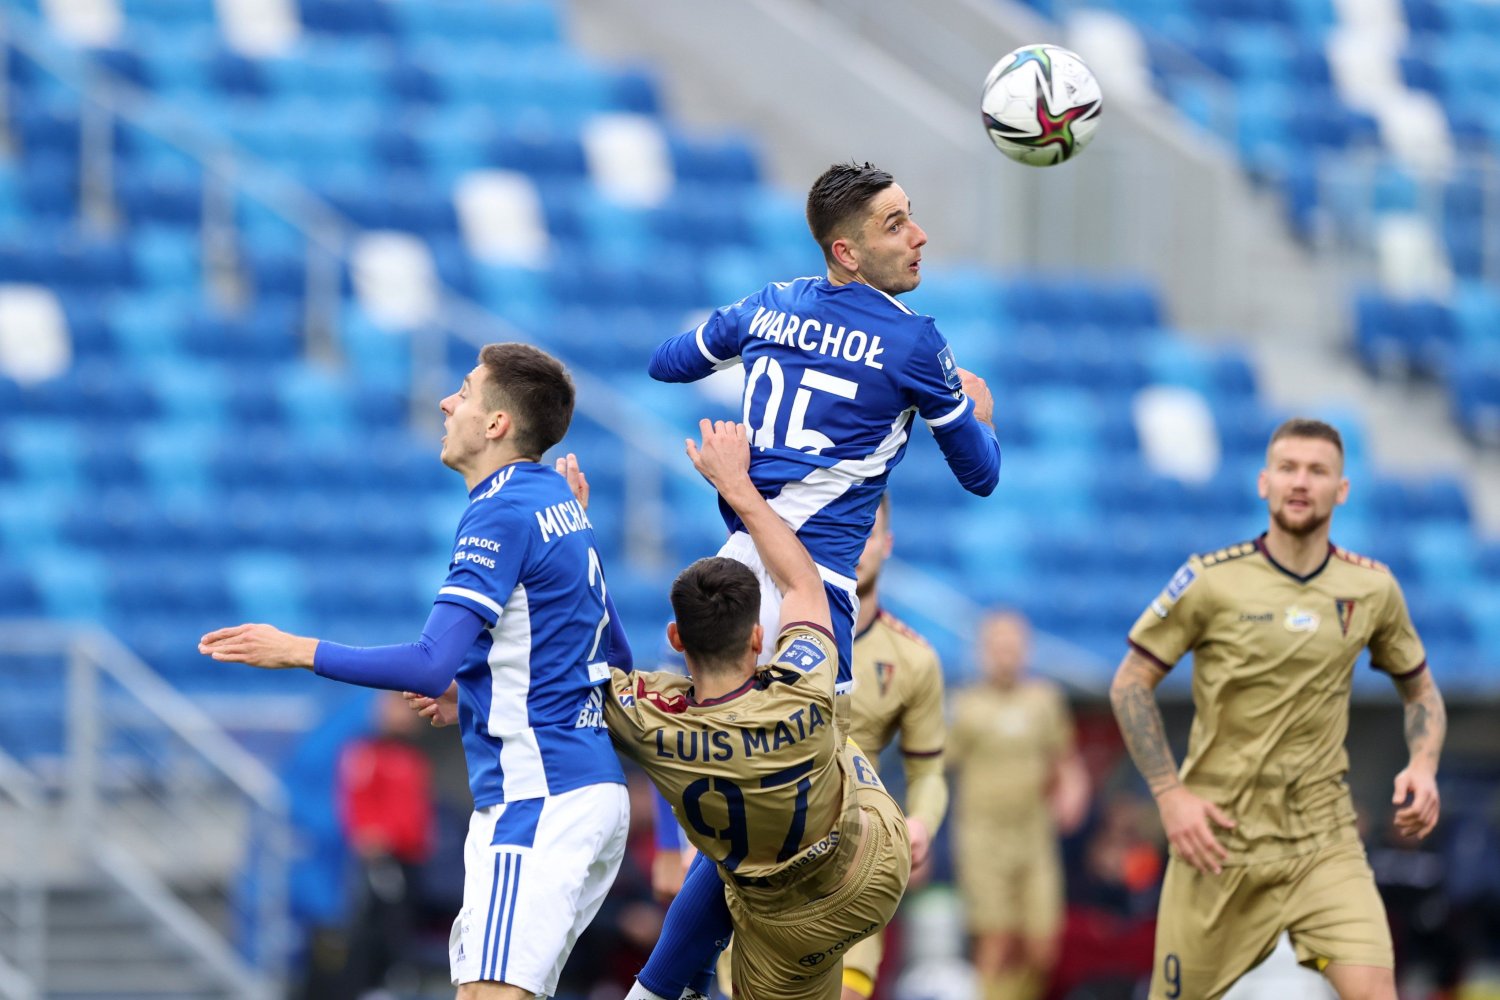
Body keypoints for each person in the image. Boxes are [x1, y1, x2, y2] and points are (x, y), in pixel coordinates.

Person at [639, 159, 1000, 1000]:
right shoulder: (917, 343)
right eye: (894, 225)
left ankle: (665, 986)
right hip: (810, 599)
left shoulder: (769, 303)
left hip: (732, 578)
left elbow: (666, 362)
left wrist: (750, 344)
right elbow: (980, 475)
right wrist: (972, 407)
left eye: (912, 216)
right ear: (845, 251)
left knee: (750, 817)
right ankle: (703, 980)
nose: (917, 236)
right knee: (805, 835)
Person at [199, 343, 633, 1000]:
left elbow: (429, 664)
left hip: (536, 800)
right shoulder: (557, 502)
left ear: (496, 425)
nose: (445, 401)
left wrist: (297, 649)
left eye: (463, 391)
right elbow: (606, 657)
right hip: (575, 792)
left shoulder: (504, 509)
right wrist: (484, 692)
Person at [1109, 417, 1447, 1000]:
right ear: (1263, 482)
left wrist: (1423, 763)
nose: (1300, 481)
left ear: (1342, 490)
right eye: (1288, 468)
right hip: (1217, 842)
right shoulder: (1209, 581)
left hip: (1324, 842)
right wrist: (1170, 798)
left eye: (1318, 471)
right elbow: (1129, 684)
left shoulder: (1371, 589)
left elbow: (1421, 690)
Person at [605, 419, 912, 1000]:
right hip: (875, 858)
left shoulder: (653, 722)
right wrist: (738, 489)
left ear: (675, 638)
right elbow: (802, 582)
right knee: (838, 734)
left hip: (786, 916)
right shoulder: (799, 679)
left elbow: (589, 668)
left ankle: (656, 989)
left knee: (738, 860)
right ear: (755, 639)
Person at [706, 493, 953, 1000]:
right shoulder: (766, 635)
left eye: (869, 530)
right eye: (851, 526)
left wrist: (922, 822)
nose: (858, 544)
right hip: (765, 861)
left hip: (855, 860)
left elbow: (929, 771)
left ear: (887, 544)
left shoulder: (914, 659)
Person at [949, 609, 1091, 1000]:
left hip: (1034, 835)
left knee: (1043, 945)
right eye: (997, 646)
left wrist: (1072, 791)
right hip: (983, 835)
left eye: (1013, 646)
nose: (1005, 655)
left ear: (1026, 650)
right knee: (996, 939)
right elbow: (934, 767)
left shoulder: (1044, 700)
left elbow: (1065, 759)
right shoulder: (964, 705)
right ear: (982, 651)